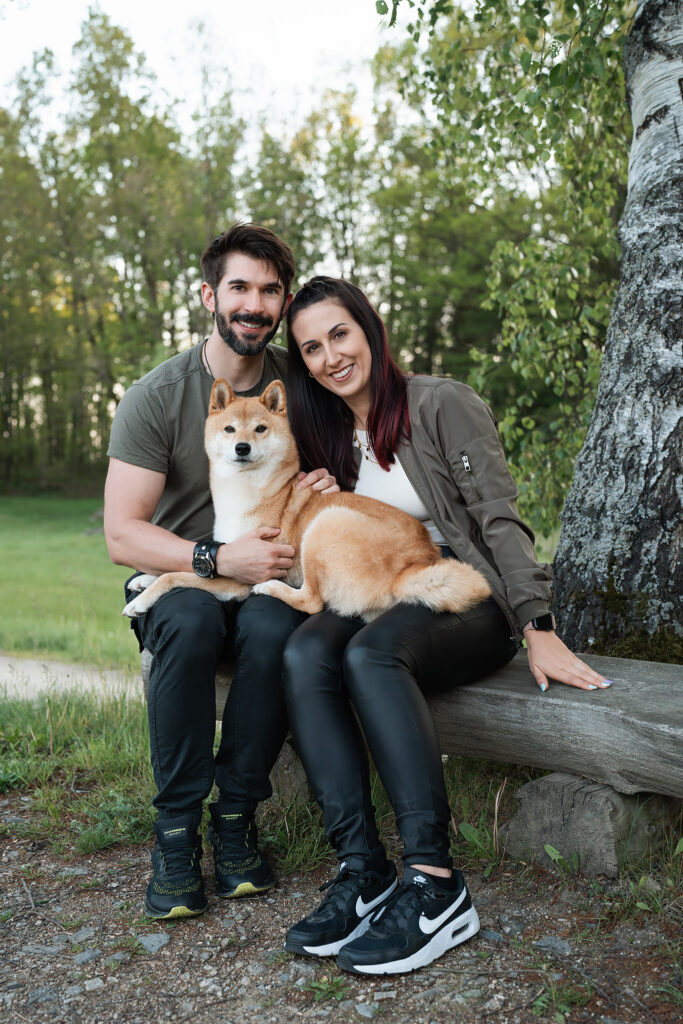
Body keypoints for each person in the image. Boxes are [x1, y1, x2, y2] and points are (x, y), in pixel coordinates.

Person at [280, 276, 612, 975]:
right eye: (310, 347)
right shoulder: (325, 433)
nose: (329, 356)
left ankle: (434, 883)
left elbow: (496, 515)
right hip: (382, 590)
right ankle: (363, 869)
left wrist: (536, 623)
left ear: (368, 329)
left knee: (370, 658)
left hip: (465, 595)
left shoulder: (439, 402)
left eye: (338, 334)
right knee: (306, 651)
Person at [104, 225, 336, 920]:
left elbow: (355, 460)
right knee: (186, 615)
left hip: (272, 574)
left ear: (283, 302)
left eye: (269, 291)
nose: (253, 304)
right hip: (185, 579)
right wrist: (210, 559)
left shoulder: (303, 386)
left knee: (272, 627)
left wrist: (327, 481)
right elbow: (122, 534)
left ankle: (235, 820)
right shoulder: (159, 395)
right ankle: (175, 835)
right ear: (210, 294)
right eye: (239, 287)